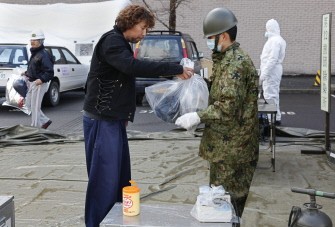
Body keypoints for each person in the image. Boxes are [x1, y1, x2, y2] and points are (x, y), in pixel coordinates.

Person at [82, 5, 193, 227]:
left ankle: (112, 220)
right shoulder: (112, 42)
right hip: (102, 119)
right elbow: (131, 66)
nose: (144, 34)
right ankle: (96, 223)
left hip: (113, 120)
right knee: (104, 180)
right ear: (130, 22)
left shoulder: (120, 42)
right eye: (143, 28)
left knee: (120, 178)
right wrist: (174, 67)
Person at [175, 7, 259, 218]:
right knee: (220, 200)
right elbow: (215, 85)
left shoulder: (236, 64)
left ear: (223, 36)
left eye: (211, 38)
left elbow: (227, 106)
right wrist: (193, 77)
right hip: (224, 146)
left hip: (233, 149)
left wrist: (197, 116)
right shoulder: (224, 59)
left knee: (227, 203)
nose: (209, 42)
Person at [24, 29, 54, 129]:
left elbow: (49, 72)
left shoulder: (43, 54)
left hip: (39, 83)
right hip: (33, 82)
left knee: (35, 107)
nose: (32, 42)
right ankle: (45, 121)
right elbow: (35, 68)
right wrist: (26, 73)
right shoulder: (35, 53)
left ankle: (35, 128)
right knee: (28, 104)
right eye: (31, 40)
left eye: (35, 40)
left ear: (41, 41)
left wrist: (41, 80)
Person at [259, 19, 286, 126]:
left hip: (271, 71)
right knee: (272, 95)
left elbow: (272, 59)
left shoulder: (275, 41)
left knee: (270, 96)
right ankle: (275, 118)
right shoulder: (277, 40)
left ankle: (272, 121)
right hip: (272, 70)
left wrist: (264, 73)